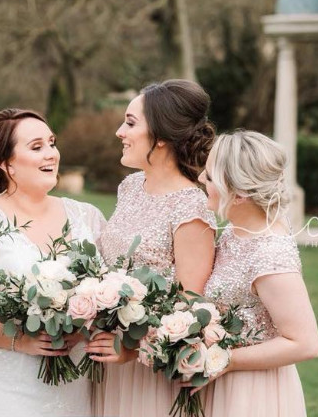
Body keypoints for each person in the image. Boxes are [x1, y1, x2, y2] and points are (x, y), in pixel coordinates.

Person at [0, 108, 106, 417]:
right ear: (7, 164)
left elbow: (107, 294)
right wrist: (21, 340)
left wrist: (77, 329)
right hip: (0, 383)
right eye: (36, 147)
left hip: (71, 382)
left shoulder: (87, 217)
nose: (51, 154)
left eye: (52, 143)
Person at [86, 79, 217, 416]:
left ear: (160, 137)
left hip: (149, 371)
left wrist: (132, 348)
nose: (119, 132)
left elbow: (192, 304)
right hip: (107, 362)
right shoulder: (130, 187)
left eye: (130, 123)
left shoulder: (191, 208)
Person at [193, 130, 318, 416]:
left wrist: (225, 359)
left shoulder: (270, 253)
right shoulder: (236, 232)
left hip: (253, 392)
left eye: (210, 177)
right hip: (223, 383)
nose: (201, 178)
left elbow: (305, 343)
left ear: (238, 194)